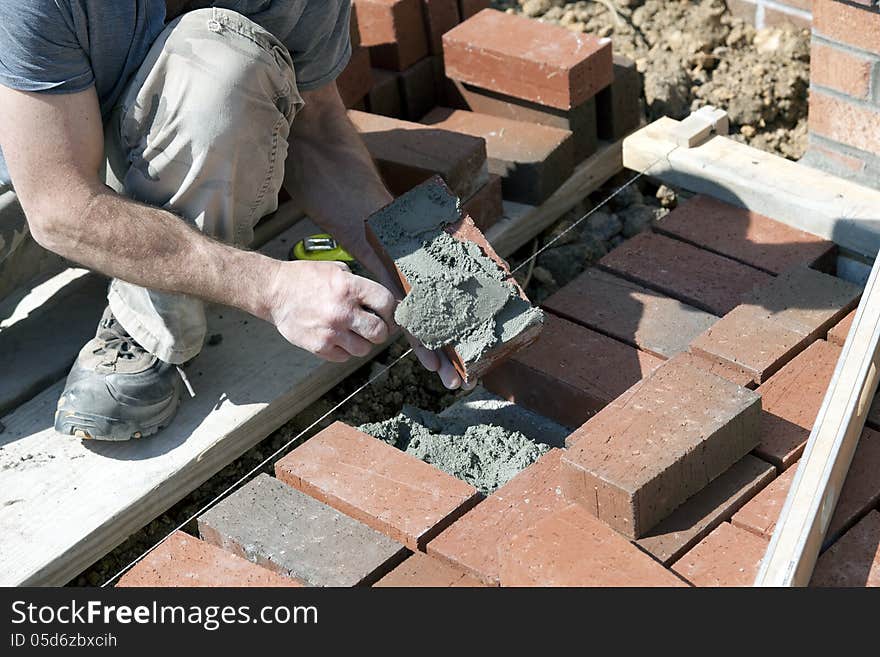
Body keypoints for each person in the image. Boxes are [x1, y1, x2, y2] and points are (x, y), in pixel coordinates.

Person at [0, 1, 467, 441]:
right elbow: (58, 207)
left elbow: (318, 129)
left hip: (140, 144)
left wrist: (405, 256)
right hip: (35, 159)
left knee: (224, 66)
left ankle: (146, 315)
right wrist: (273, 288)